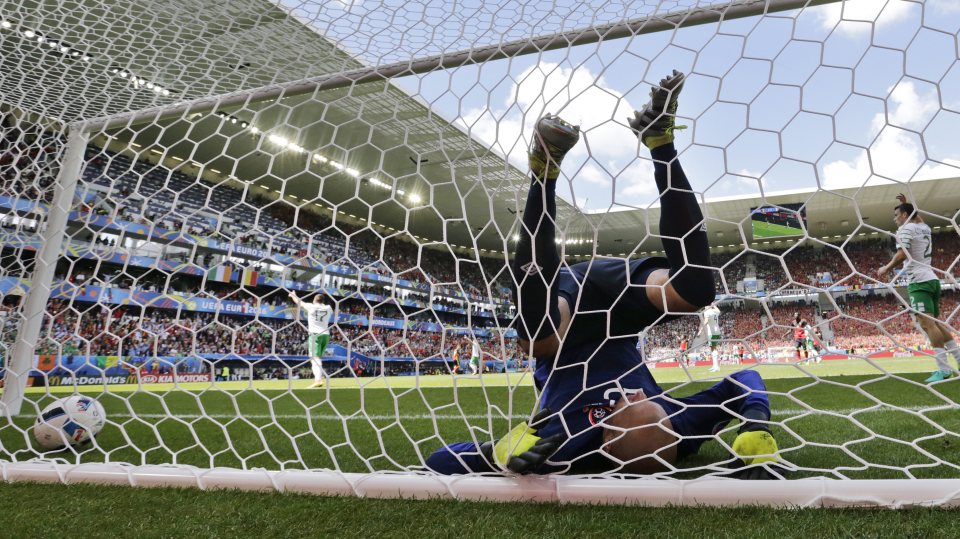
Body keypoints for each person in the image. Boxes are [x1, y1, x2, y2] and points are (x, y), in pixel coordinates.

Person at [426, 71, 781, 478]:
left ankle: (543, 170)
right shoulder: (678, 429)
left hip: (565, 317)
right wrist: (756, 425)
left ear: (608, 437)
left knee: (537, 338)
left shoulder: (566, 446)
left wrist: (497, 451)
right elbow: (744, 380)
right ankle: (659, 140)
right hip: (616, 309)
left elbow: (440, 459)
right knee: (697, 290)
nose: (633, 395)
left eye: (629, 408)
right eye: (650, 407)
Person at [877, 193, 960, 383]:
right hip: (932, 279)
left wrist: (886, 268)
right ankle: (958, 360)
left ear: (905, 216)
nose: (895, 219)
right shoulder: (924, 228)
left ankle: (944, 370)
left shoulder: (905, 231)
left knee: (928, 325)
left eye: (897, 215)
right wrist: (906, 205)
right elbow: (918, 217)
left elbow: (901, 255)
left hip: (918, 282)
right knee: (936, 324)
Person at [289, 290, 334, 388]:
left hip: (315, 335)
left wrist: (293, 295)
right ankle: (318, 378)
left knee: (315, 358)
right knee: (317, 358)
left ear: (314, 300)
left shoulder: (311, 306)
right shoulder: (328, 308)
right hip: (325, 335)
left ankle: (318, 380)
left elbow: (298, 302)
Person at [701, 302, 722, 372]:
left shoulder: (707, 312)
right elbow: (718, 310)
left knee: (713, 349)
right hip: (717, 331)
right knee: (713, 348)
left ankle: (716, 367)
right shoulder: (715, 311)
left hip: (712, 333)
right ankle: (714, 366)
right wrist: (714, 305)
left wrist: (700, 330)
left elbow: (706, 321)